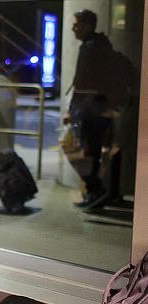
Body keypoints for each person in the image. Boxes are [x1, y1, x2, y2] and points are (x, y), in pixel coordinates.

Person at [63, 10, 115, 209]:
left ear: (88, 25)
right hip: (103, 107)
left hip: (90, 109)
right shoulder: (104, 45)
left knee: (84, 152)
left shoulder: (89, 48)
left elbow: (82, 82)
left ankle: (95, 191)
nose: (73, 28)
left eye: (76, 24)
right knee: (94, 151)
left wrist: (71, 110)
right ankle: (96, 191)